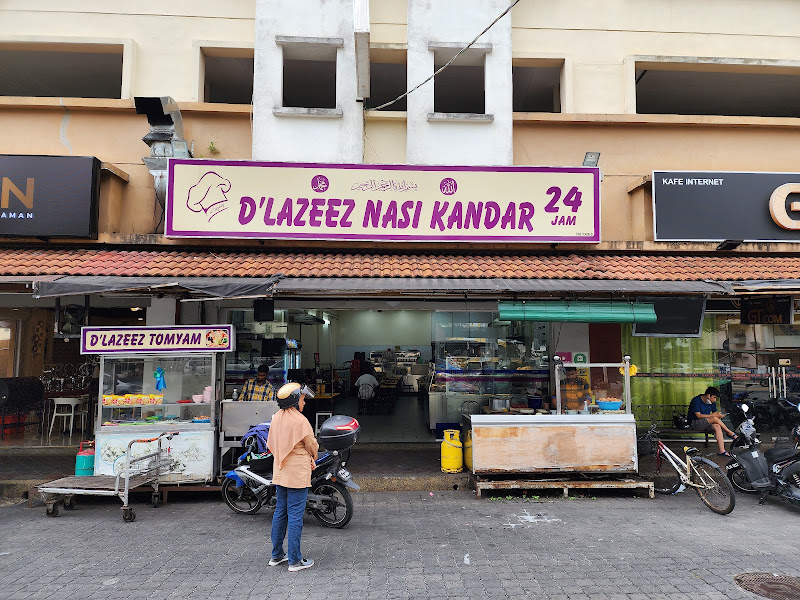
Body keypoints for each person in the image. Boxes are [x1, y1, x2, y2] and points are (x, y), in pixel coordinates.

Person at [266, 382, 318, 572]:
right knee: (295, 515)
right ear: (295, 400)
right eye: (303, 399)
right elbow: (312, 445)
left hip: (280, 471)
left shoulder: (277, 417)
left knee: (280, 512)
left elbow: (271, 444)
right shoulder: (301, 420)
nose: (304, 402)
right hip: (297, 473)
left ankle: (276, 555)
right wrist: (311, 456)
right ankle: (295, 560)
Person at [687, 386, 737, 456]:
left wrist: (719, 415)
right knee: (714, 418)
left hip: (705, 423)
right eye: (714, 397)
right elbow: (699, 415)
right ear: (708, 395)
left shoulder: (711, 402)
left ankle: (722, 451)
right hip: (695, 423)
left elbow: (715, 414)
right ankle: (730, 433)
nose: (714, 400)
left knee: (717, 426)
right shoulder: (696, 400)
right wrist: (714, 416)